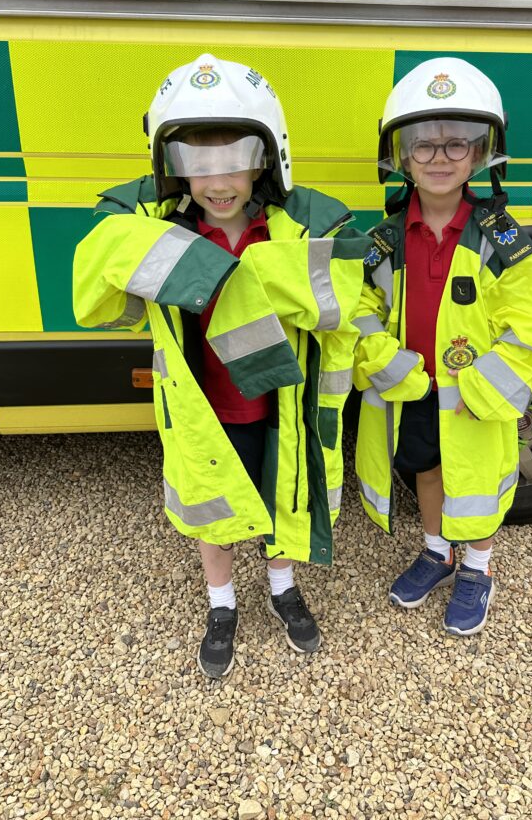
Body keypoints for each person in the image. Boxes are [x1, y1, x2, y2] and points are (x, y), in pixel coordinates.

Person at [73, 54, 367, 677]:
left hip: (279, 400)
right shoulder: (149, 222)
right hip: (206, 405)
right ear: (171, 168)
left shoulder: (305, 221)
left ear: (266, 156)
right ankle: (221, 601)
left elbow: (344, 289)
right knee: (214, 503)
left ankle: (283, 588)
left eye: (233, 159)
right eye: (195, 165)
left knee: (279, 491)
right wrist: (217, 271)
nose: (217, 181)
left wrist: (238, 274)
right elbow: (95, 277)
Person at [353, 57, 532, 635]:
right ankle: (435, 552)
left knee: (474, 482)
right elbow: (361, 310)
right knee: (424, 467)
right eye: (423, 145)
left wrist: (488, 385)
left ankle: (476, 568)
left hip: (474, 394)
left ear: (481, 154)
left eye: (456, 144)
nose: (439, 158)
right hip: (415, 385)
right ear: (400, 157)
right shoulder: (386, 238)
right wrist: (384, 360)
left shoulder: (501, 238)